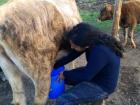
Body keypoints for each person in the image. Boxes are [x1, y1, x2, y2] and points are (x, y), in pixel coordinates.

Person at [53, 22, 124, 105]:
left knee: (62, 100)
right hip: (95, 74)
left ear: (85, 46)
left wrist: (65, 74)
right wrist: (54, 65)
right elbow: (73, 54)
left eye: (74, 46)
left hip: (102, 86)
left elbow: (85, 75)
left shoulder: (100, 51)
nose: (72, 47)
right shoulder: (92, 40)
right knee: (65, 78)